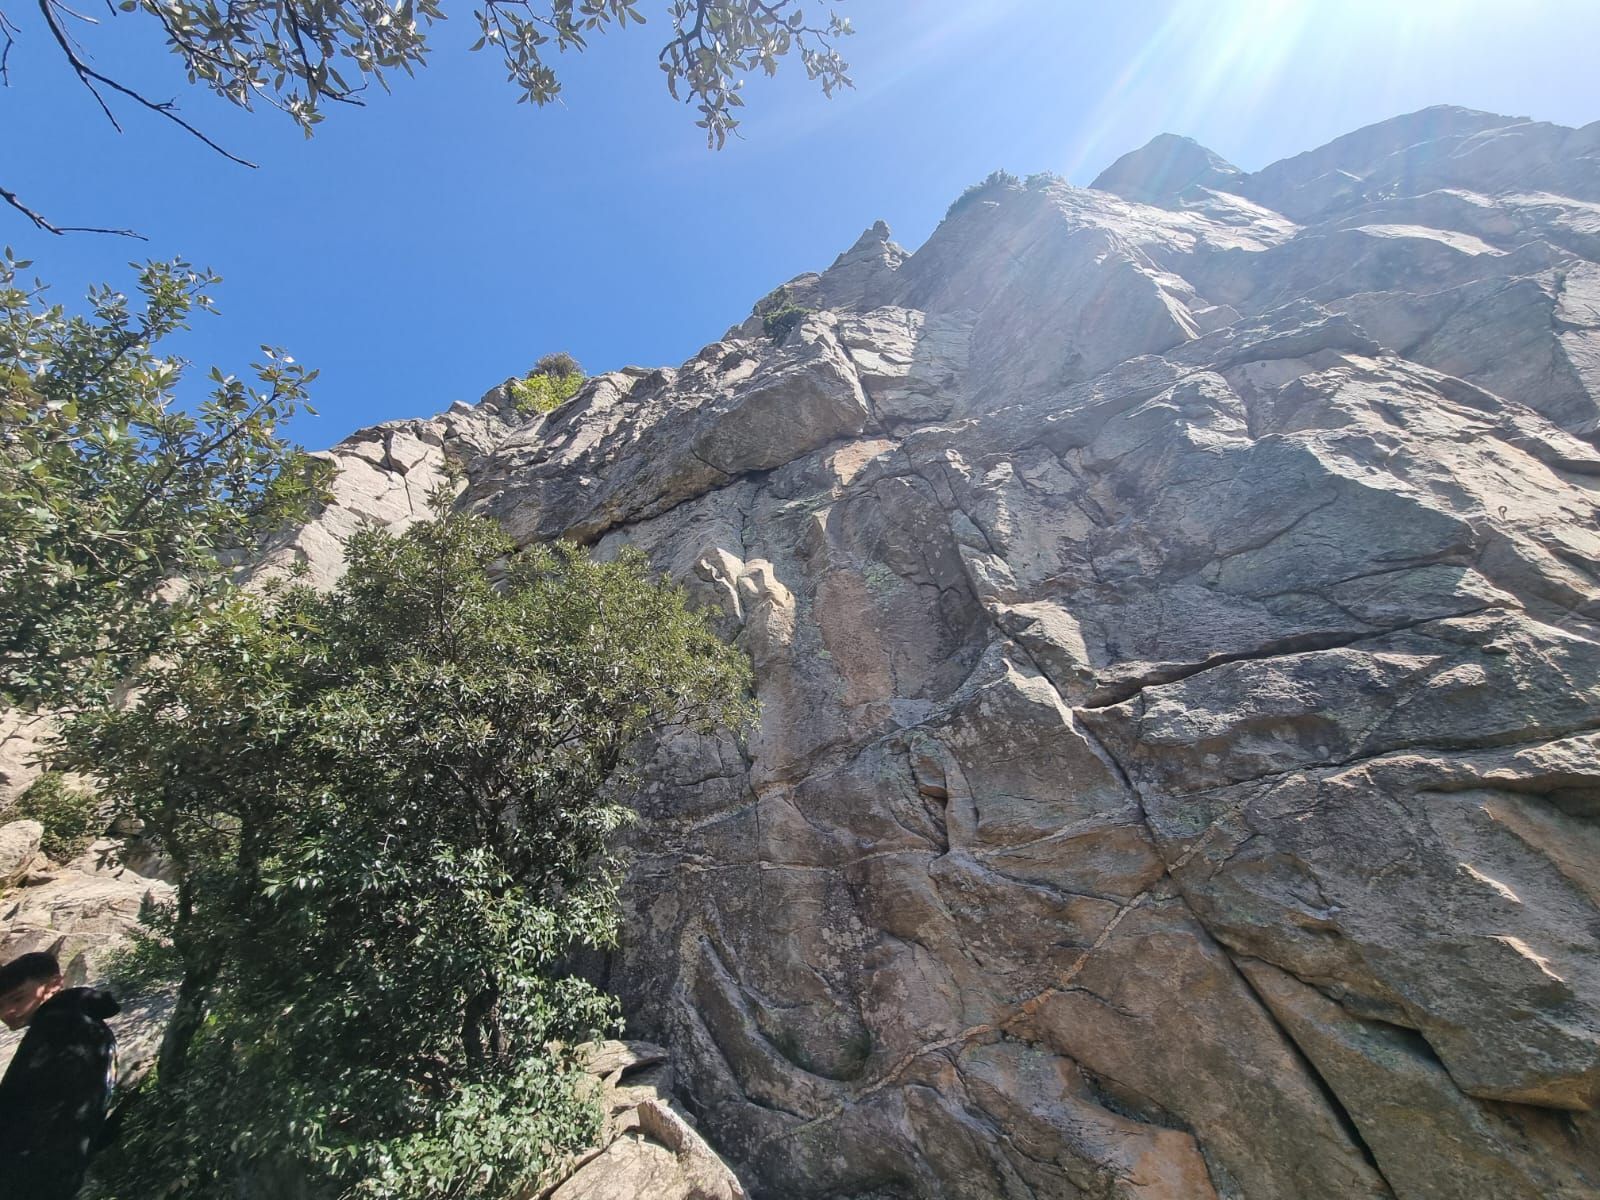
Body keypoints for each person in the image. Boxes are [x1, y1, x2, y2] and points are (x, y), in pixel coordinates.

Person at [0, 951, 120, 1199]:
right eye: (0, 1006)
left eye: (17, 998)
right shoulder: (92, 1027)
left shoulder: (60, 1025)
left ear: (55, 984)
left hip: (28, 1173)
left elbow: (22, 1106)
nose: (7, 1012)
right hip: (62, 1172)